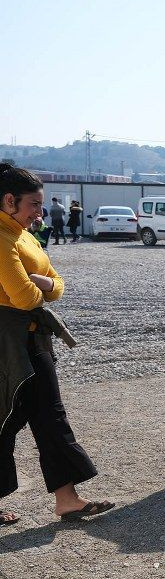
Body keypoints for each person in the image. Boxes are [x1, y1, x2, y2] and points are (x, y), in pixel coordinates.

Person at [1, 164, 113, 524]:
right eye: (34, 204)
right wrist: (42, 286)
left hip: (32, 338)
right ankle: (67, 498)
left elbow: (56, 283)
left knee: (46, 417)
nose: (40, 212)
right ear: (8, 200)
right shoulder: (2, 237)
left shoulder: (22, 234)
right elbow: (23, 297)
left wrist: (44, 284)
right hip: (10, 341)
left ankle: (67, 499)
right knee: (14, 419)